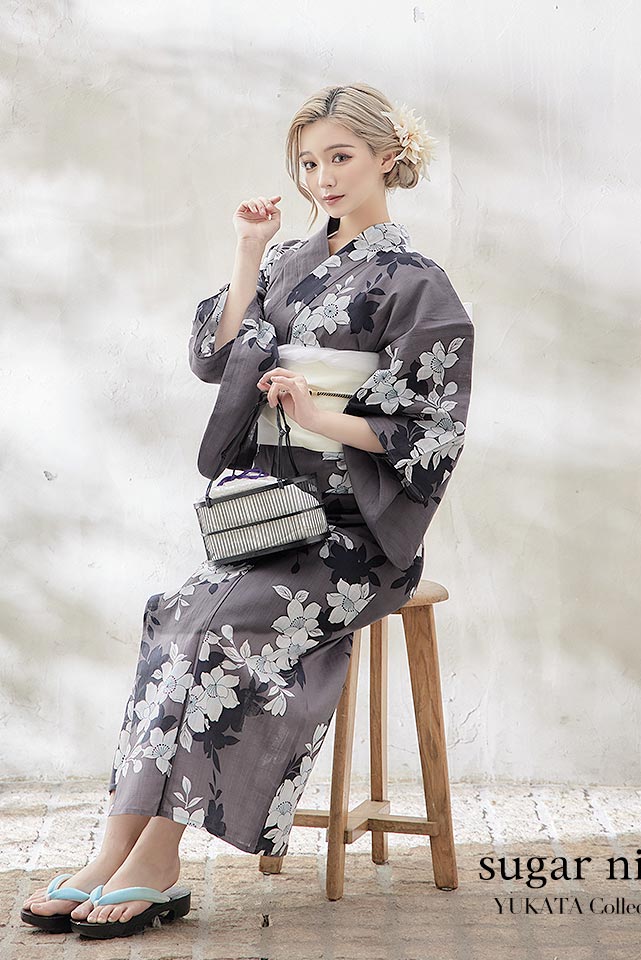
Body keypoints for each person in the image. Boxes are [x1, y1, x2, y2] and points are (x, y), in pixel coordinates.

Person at [21, 81, 474, 939]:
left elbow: (431, 431)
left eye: (340, 157)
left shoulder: (420, 284)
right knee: (175, 613)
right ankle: (115, 853)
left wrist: (318, 417)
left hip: (356, 532)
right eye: (308, 163)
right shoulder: (288, 263)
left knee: (220, 627)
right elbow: (213, 357)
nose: (322, 178)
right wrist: (247, 250)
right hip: (271, 515)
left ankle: (153, 861)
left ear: (388, 157)